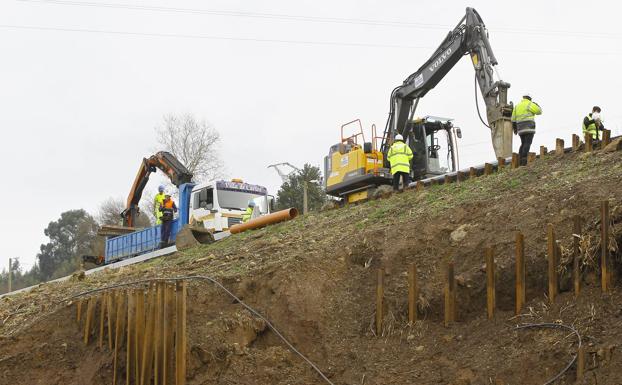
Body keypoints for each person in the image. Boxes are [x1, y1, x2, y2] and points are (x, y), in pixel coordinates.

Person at [511, 93, 542, 165]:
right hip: (529, 127)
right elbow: (539, 112)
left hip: (520, 128)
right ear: (530, 98)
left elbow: (513, 119)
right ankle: (524, 160)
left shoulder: (517, 106)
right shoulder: (530, 104)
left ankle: (519, 159)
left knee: (523, 143)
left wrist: (515, 129)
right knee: (527, 143)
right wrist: (536, 105)